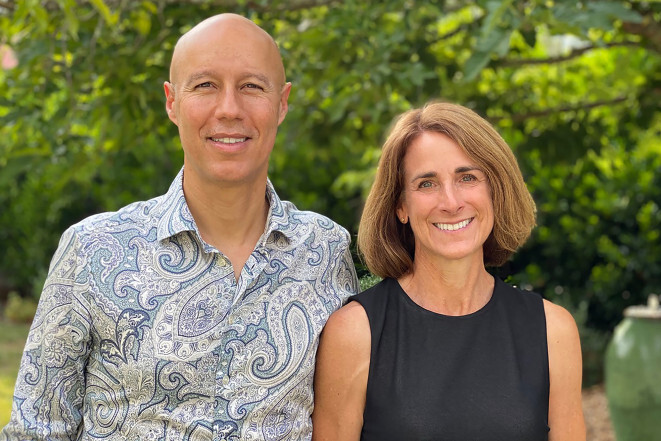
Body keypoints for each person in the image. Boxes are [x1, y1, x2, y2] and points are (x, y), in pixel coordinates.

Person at [1, 13, 358, 441]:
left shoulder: (326, 249)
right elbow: (35, 431)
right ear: (172, 102)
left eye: (251, 86)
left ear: (282, 104)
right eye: (205, 85)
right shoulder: (92, 249)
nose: (229, 109)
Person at [312, 101, 585, 441]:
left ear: (495, 191)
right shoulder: (355, 333)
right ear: (400, 206)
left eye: (467, 177)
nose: (451, 203)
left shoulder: (553, 331)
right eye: (427, 184)